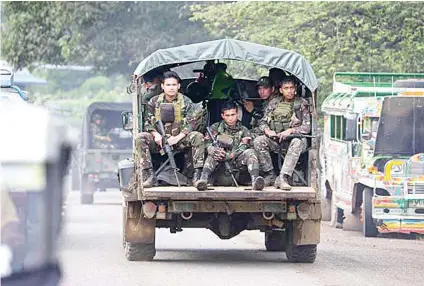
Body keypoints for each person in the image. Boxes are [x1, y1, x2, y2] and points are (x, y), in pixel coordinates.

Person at [135, 71, 205, 187]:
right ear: (162, 86)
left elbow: (192, 123)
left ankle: (196, 177)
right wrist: (156, 135)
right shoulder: (154, 102)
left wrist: (177, 138)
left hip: (179, 140)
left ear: (178, 86)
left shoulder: (186, 102)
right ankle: (149, 176)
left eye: (174, 85)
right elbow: (148, 123)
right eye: (168, 85)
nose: (171, 88)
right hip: (159, 141)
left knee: (198, 136)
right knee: (140, 138)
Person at [253, 77, 311, 190]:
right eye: (286, 88)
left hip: (294, 141)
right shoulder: (274, 103)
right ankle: (270, 174)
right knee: (258, 141)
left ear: (295, 89)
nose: (289, 91)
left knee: (297, 142)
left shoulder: (302, 104)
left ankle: (283, 178)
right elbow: (262, 122)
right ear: (281, 90)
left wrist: (291, 130)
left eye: (291, 88)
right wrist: (268, 131)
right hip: (277, 140)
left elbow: (306, 127)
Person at [195, 101, 265, 191]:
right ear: (222, 116)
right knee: (214, 154)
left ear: (237, 114)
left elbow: (244, 146)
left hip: (236, 164)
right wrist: (211, 149)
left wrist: (230, 155)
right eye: (227, 115)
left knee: (250, 152)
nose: (231, 118)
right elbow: (206, 142)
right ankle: (203, 180)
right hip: (219, 165)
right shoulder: (215, 128)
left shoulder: (244, 130)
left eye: (233, 115)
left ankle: (255, 180)